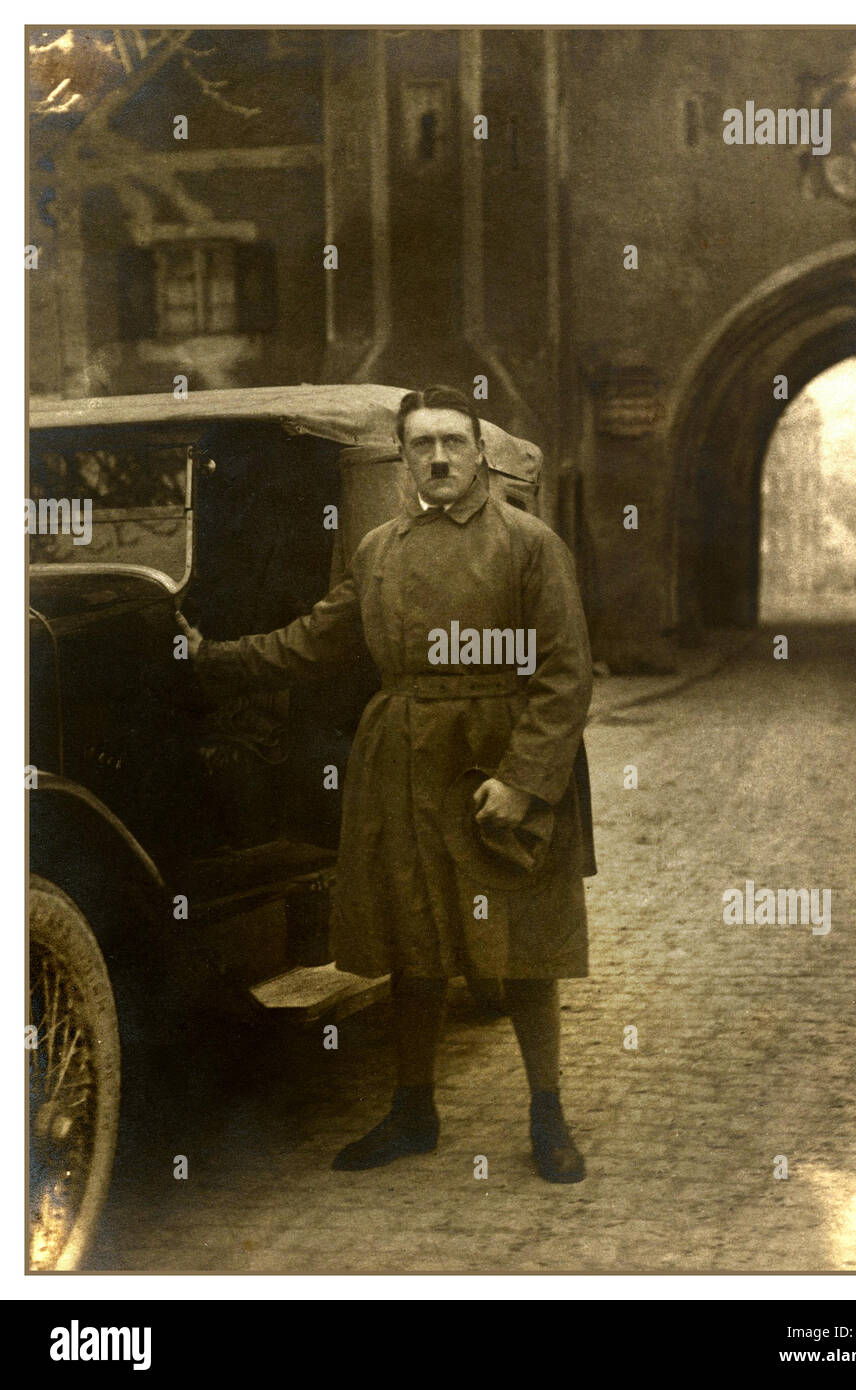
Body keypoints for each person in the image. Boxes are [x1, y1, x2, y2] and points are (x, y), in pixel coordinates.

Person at [178, 385, 596, 1183]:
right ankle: (412, 1112)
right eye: (421, 446)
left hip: (495, 760)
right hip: (403, 759)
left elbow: (566, 677)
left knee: (521, 943)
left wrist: (522, 782)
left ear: (480, 455)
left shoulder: (530, 544)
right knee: (416, 937)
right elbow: (311, 643)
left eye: (452, 442)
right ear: (402, 460)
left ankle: (549, 1113)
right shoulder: (378, 550)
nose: (438, 458)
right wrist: (209, 659)